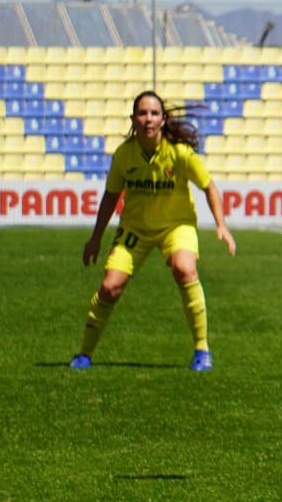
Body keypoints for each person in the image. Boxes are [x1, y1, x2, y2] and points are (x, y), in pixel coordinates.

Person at [70, 90, 236, 372]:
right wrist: (95, 238)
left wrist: (221, 225)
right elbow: (110, 196)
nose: (148, 119)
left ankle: (202, 350)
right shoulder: (124, 155)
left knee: (184, 269)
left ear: (163, 119)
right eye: (142, 113)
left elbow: (208, 186)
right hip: (136, 228)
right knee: (110, 287)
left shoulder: (180, 153)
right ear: (133, 119)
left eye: (154, 113)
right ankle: (84, 354)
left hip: (176, 226)